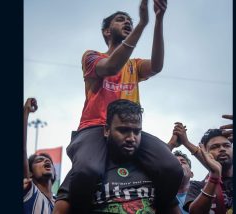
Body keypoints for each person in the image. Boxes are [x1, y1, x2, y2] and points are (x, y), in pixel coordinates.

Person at [56, 1, 183, 213]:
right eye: (120, 19)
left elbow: (158, 66)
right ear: (106, 31)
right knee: (87, 170)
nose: (127, 22)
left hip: (129, 129)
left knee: (171, 167)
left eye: (129, 21)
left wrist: (159, 20)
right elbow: (111, 66)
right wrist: (142, 24)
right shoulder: (92, 57)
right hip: (94, 128)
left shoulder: (135, 65)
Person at [55, 99, 180, 213]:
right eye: (123, 130)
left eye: (136, 132)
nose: (131, 138)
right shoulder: (85, 168)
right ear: (107, 130)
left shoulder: (154, 170)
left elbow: (172, 207)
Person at [183, 117, 234, 214]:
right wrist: (214, 177)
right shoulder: (197, 186)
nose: (222, 149)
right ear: (205, 154)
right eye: (215, 147)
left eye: (227, 145)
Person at [23, 98, 56, 214]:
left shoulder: (61, 202)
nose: (46, 161)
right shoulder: (29, 191)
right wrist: (25, 112)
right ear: (30, 172)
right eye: (39, 161)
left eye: (49, 161)